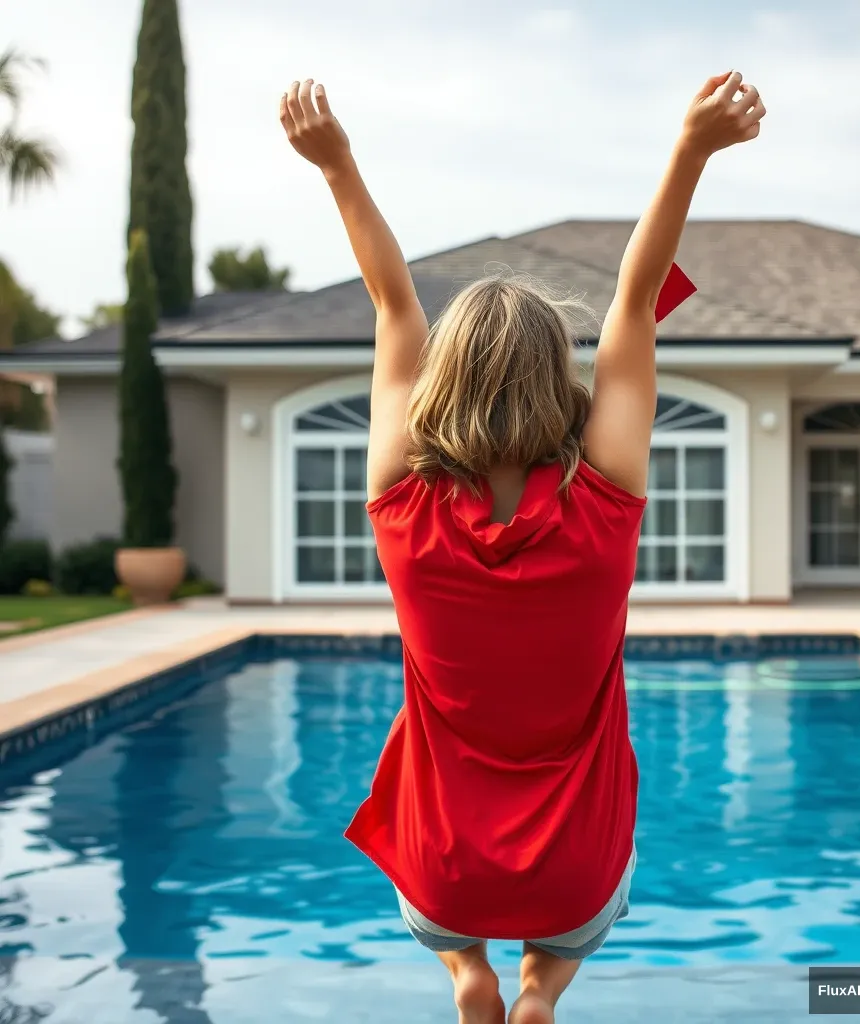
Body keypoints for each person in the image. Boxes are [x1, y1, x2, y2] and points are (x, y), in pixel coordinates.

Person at [280, 70, 765, 1024]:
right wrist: (691, 150)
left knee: (414, 818)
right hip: (573, 874)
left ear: (441, 384)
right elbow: (632, 305)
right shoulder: (602, 503)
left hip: (443, 871)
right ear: (560, 381)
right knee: (582, 901)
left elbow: (393, 307)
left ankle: (469, 974)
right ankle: (543, 985)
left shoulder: (405, 510)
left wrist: (335, 165)